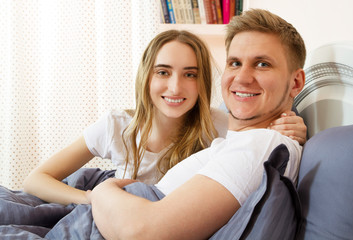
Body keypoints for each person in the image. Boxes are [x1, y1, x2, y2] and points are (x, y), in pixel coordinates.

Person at [88, 8, 307, 239]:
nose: (242, 78)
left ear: (295, 83)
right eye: (234, 63)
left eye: (262, 64)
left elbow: (143, 233)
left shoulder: (264, 144)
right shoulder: (234, 134)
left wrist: (101, 192)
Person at [23, 29, 306, 206]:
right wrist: (89, 198)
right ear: (147, 78)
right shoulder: (117, 126)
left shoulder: (217, 124)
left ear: (202, 82)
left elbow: (261, 132)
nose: (175, 87)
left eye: (190, 74)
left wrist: (296, 126)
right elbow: (36, 179)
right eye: (163, 72)